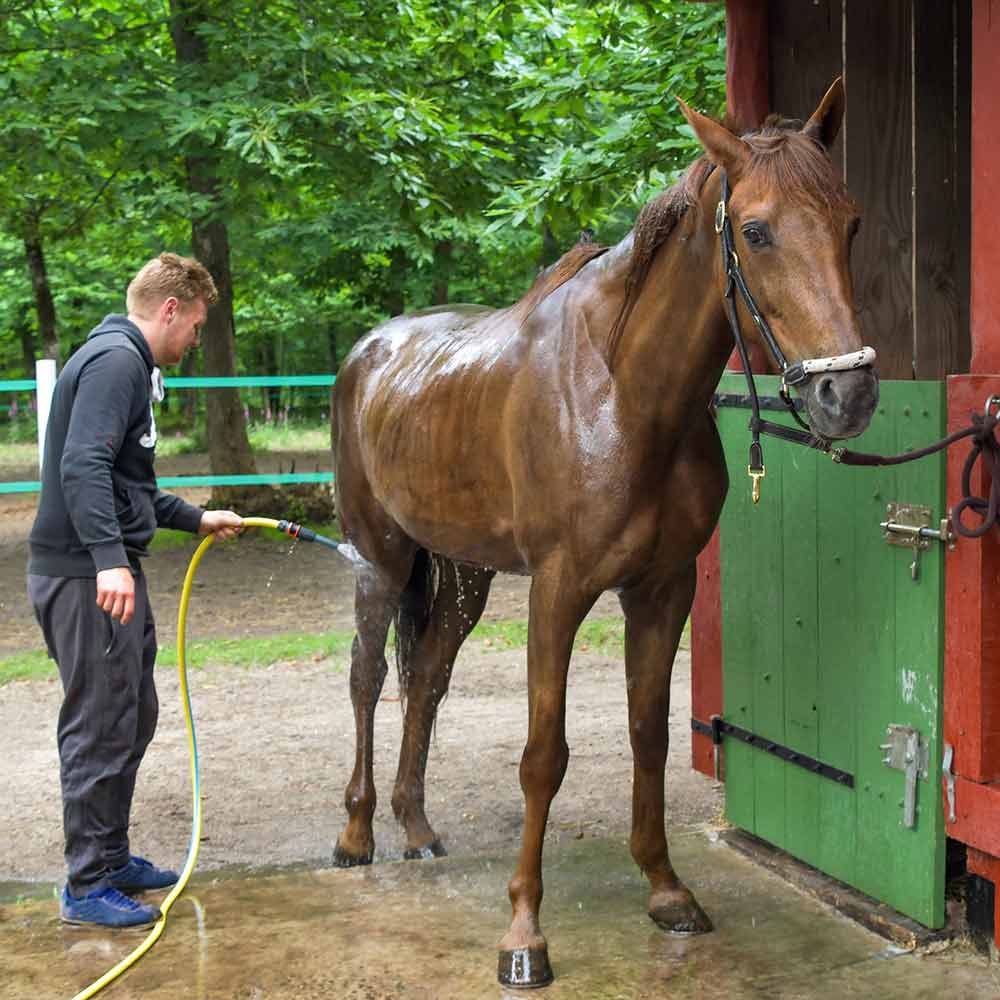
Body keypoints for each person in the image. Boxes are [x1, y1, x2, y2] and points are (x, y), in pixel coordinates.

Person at [27, 253, 244, 928]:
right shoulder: (117, 361)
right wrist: (108, 562)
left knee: (130, 715)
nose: (195, 342)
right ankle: (86, 886)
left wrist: (195, 518)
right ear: (170, 309)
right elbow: (81, 463)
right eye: (196, 326)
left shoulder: (127, 364)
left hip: (102, 571)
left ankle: (112, 856)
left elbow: (128, 485)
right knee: (98, 725)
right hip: (84, 577)